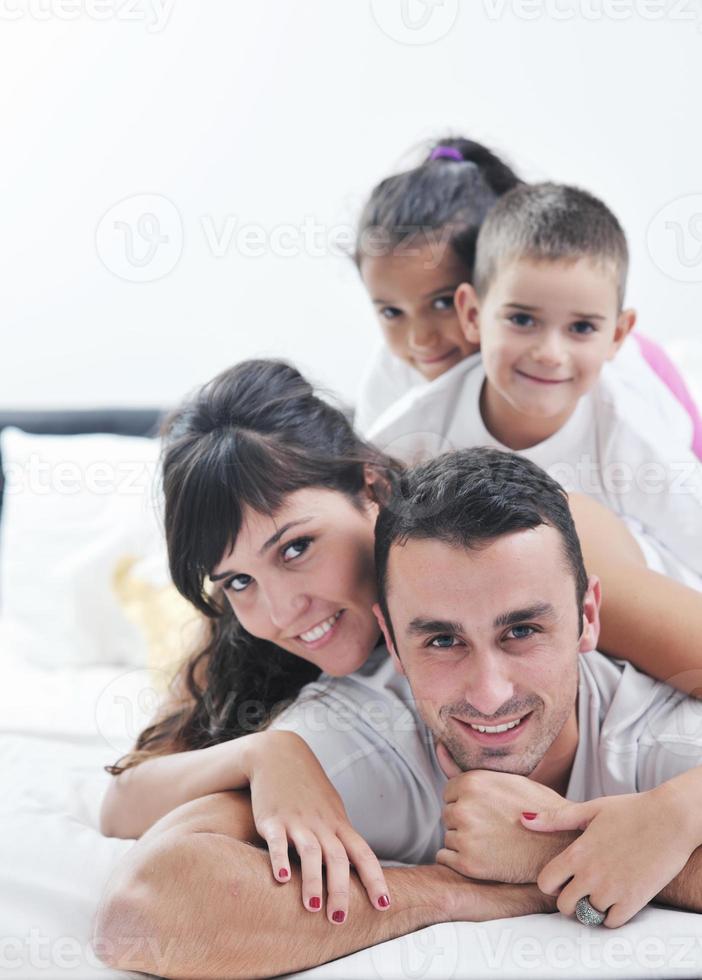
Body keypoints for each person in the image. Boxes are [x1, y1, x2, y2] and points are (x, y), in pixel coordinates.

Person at [93, 448, 702, 979]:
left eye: (522, 631)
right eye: (440, 641)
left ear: (588, 617)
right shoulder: (353, 734)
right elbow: (139, 909)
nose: (489, 693)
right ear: (390, 637)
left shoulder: (655, 729)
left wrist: (559, 853)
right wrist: (452, 892)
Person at [365, 182, 702, 586]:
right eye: (522, 320)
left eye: (581, 327)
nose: (549, 353)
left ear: (616, 335)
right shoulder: (417, 426)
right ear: (472, 314)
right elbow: (359, 533)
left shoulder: (633, 441)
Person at [354, 138, 702, 457]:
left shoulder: (616, 382)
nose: (420, 338)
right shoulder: (392, 377)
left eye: (442, 303)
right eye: (391, 312)